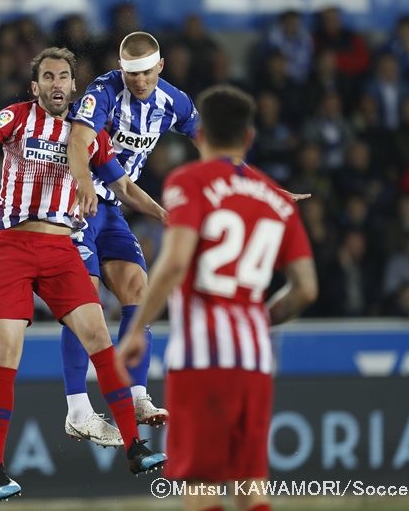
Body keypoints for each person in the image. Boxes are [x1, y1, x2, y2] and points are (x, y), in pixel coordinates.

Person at [0, 47, 167, 501]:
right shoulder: (19, 117)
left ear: (72, 85)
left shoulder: (88, 134)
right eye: (47, 77)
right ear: (35, 86)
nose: (56, 84)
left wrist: (164, 214)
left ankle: (134, 447)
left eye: (63, 77)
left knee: (100, 340)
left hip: (62, 247)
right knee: (6, 352)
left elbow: (122, 186)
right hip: (13, 247)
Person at [118, 85, 318, 511]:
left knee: (201, 485)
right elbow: (306, 288)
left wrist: (136, 329)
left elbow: (173, 263)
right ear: (248, 139)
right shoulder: (276, 200)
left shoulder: (188, 181)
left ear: (201, 134)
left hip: (201, 358)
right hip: (256, 358)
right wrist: (260, 318)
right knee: (251, 485)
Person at [63, 31, 201, 445]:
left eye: (146, 72)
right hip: (76, 205)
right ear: (121, 68)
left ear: (160, 66)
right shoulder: (102, 91)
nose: (139, 80)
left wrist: (251, 179)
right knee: (82, 301)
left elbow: (212, 142)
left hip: (113, 207)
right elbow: (79, 139)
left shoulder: (173, 102)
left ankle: (137, 396)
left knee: (139, 291)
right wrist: (84, 183)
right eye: (131, 72)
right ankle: (77, 408)